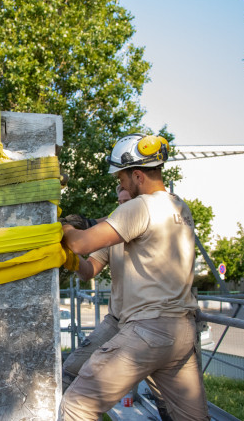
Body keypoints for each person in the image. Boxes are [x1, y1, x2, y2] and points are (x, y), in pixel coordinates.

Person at [60, 134, 208, 421]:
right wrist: (74, 252)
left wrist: (64, 228)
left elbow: (80, 243)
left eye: (122, 179)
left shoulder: (141, 207)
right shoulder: (180, 209)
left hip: (146, 332)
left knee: (77, 405)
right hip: (181, 333)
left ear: (138, 175)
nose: (120, 185)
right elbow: (90, 262)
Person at [60, 187, 173, 421]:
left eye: (127, 201)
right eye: (119, 202)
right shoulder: (113, 234)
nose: (122, 207)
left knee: (168, 401)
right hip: (117, 321)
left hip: (149, 323)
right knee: (71, 372)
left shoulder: (156, 229)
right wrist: (70, 259)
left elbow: (80, 242)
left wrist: (67, 229)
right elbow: (89, 270)